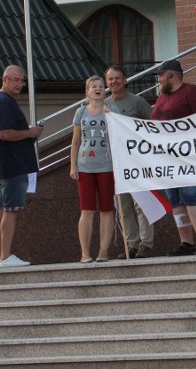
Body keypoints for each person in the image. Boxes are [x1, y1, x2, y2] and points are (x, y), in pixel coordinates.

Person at [0, 65, 42, 268]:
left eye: (22, 81)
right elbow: (5, 133)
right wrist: (30, 133)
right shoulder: (4, 102)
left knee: (2, 210)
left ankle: (1, 255)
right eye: (15, 80)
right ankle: (5, 256)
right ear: (4, 79)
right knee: (10, 210)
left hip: (4, 165)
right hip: (12, 165)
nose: (19, 84)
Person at [151, 60, 196, 256]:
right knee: (175, 199)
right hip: (168, 157)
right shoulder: (162, 97)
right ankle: (186, 241)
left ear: (171, 75)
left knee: (192, 195)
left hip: (188, 156)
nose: (159, 79)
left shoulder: (190, 92)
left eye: (160, 75)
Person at [104, 65, 154, 259]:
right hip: (115, 163)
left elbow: (153, 126)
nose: (114, 82)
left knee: (141, 203)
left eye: (117, 78)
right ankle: (131, 244)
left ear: (125, 80)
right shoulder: (104, 104)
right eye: (110, 79)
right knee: (123, 206)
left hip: (137, 161)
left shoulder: (137, 102)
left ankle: (146, 243)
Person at [69, 76, 116, 263]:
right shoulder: (80, 112)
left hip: (107, 165)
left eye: (101, 86)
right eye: (93, 87)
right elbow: (75, 141)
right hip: (85, 166)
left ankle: (103, 251)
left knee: (106, 209)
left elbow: (120, 135)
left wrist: (112, 115)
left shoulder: (112, 110)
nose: (98, 89)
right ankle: (85, 252)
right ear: (87, 92)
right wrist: (73, 165)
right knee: (87, 209)